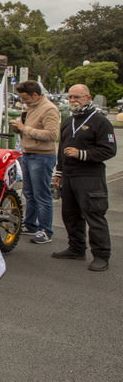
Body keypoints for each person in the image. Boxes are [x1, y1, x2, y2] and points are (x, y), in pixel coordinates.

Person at [51, 84, 116, 271]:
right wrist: (59, 172)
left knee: (94, 215)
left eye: (77, 97)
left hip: (90, 175)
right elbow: (62, 150)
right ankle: (76, 248)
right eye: (70, 97)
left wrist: (82, 154)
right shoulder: (68, 121)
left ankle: (102, 255)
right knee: (70, 214)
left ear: (88, 98)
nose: (73, 100)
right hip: (69, 175)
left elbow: (109, 149)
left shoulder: (100, 122)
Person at [10, 80, 61, 244]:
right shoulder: (32, 107)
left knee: (41, 194)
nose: (24, 102)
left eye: (26, 98)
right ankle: (31, 224)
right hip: (29, 153)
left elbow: (52, 135)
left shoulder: (49, 109)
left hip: (42, 156)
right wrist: (19, 128)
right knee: (29, 193)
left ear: (36, 95)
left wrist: (25, 129)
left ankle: (46, 230)